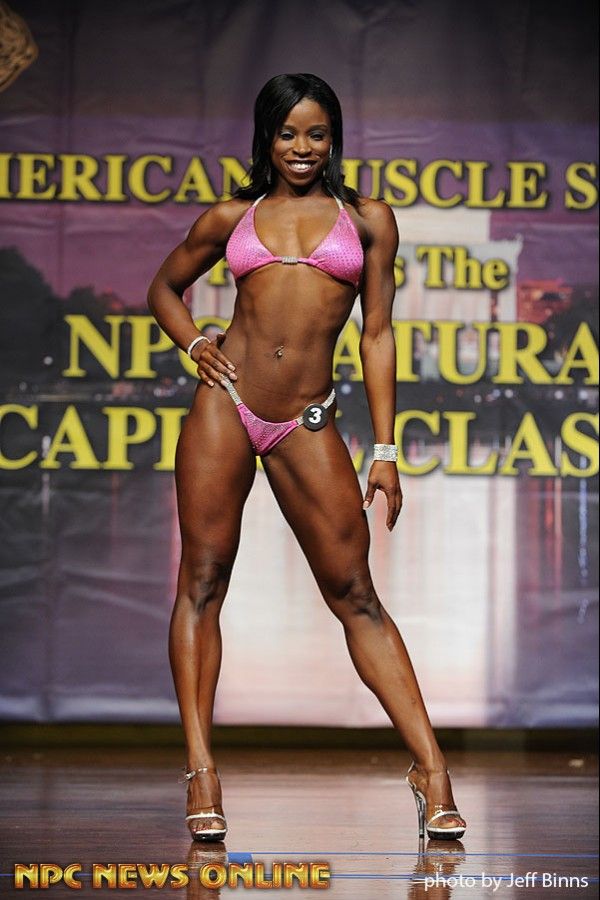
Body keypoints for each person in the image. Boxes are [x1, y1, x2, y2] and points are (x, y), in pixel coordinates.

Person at [147, 73, 466, 844]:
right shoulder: (232, 216)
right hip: (227, 407)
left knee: (355, 593)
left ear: (334, 139)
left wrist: (384, 449)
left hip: (307, 418)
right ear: (267, 138)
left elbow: (377, 335)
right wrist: (193, 343)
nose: (302, 148)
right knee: (201, 581)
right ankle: (202, 772)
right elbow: (164, 287)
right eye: (288, 133)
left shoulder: (368, 220)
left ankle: (432, 771)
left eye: (316, 134)